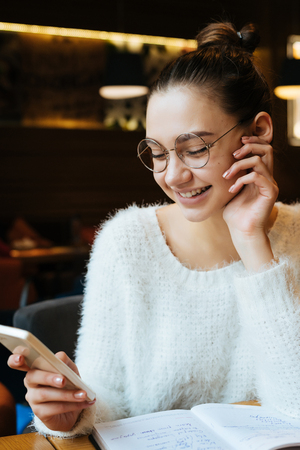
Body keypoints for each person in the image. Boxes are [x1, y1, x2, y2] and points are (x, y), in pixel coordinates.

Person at [8, 21, 300, 438]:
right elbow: (107, 397)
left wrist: (254, 245)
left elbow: (297, 407)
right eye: (158, 153)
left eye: (195, 149)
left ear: (258, 132)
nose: (174, 175)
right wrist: (70, 413)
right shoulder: (126, 242)